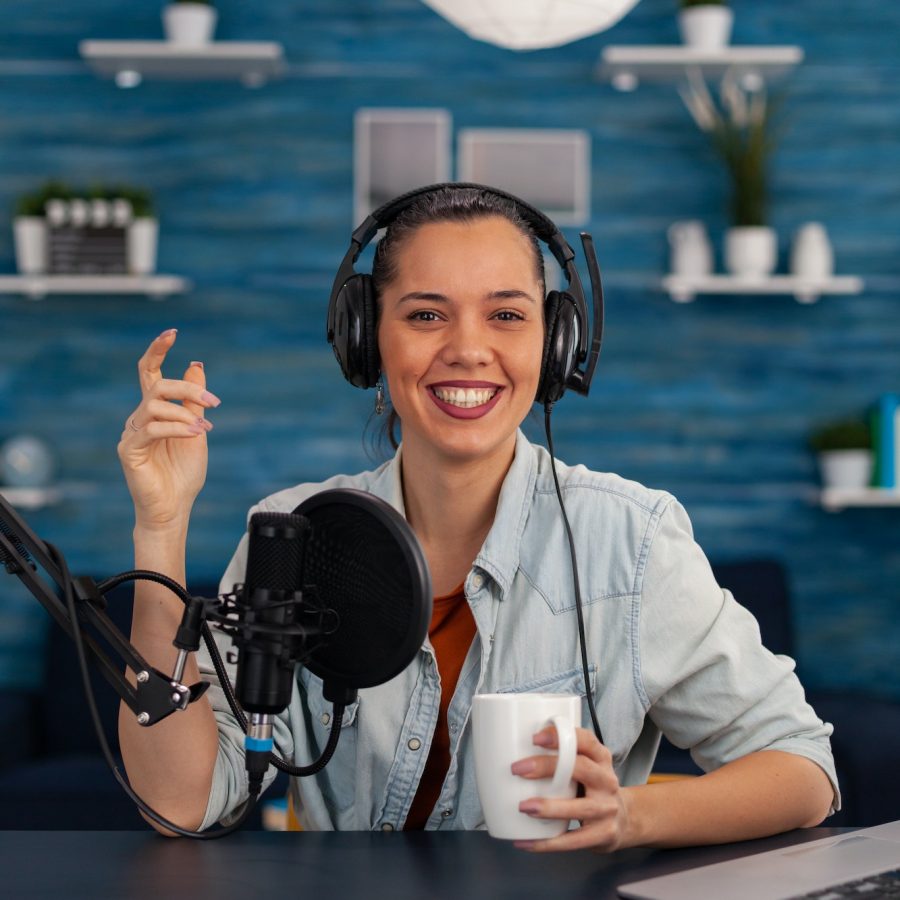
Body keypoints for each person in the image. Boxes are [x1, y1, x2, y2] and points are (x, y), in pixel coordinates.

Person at [117, 184, 838, 850]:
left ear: (555, 345)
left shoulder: (632, 540)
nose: (467, 350)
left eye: (507, 315)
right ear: (367, 339)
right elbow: (182, 803)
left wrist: (632, 816)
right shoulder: (294, 534)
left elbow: (803, 768)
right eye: (427, 315)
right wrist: (161, 527)